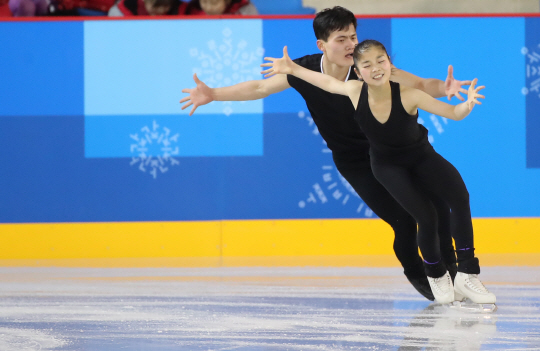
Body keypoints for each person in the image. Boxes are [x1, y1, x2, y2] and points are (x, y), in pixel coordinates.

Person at [180, 6, 468, 301]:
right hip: (356, 163)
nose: (350, 45)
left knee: (437, 207)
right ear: (322, 45)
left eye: (353, 36)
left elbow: (420, 84)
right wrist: (213, 94)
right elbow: (259, 87)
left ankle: (455, 277)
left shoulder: (370, 67)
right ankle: (419, 275)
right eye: (341, 39)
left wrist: (444, 89)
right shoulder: (304, 70)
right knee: (403, 220)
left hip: (392, 153)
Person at [261, 39, 496, 307]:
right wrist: (293, 69)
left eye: (381, 61)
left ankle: (467, 273)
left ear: (389, 64)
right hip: (387, 166)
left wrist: (467, 104)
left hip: (421, 157)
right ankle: (436, 274)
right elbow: (325, 82)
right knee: (425, 216)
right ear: (358, 72)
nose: (376, 68)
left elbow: (453, 112)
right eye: (367, 64)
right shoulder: (354, 91)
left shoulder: (408, 94)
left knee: (459, 196)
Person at [108, 0, 186, 16]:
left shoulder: (182, 9)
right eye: (156, 6)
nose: (161, 10)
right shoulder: (121, 11)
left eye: (166, 6)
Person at [185, 0, 257, 15]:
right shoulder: (192, 9)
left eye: (214, 3)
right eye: (204, 2)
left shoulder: (245, 10)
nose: (209, 8)